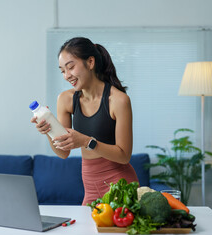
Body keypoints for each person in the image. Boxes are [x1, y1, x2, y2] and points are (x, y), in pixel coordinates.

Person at [31, 37, 139, 205]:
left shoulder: (118, 100)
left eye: (71, 67)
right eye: (62, 71)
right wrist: (48, 131)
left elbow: (124, 156)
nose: (67, 76)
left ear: (90, 62)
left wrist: (86, 141)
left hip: (120, 186)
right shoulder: (65, 99)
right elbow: (63, 153)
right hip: (89, 185)